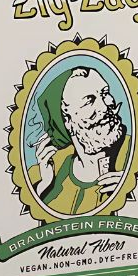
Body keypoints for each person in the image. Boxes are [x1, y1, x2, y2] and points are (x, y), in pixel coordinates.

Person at [29, 67, 131, 215]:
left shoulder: (134, 152)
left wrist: (132, 187)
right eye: (89, 101)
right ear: (66, 120)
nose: (105, 106)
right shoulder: (48, 170)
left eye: (104, 93)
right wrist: (44, 186)